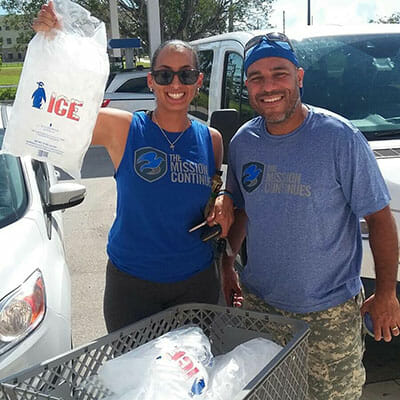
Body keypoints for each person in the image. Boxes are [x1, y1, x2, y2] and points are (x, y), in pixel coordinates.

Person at [217, 32, 400, 400]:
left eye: (279, 74)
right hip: (260, 308)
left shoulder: (340, 138)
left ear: (299, 77)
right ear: (247, 85)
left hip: (328, 316)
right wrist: (227, 262)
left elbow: (380, 219)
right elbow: (242, 209)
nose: (268, 86)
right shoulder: (243, 142)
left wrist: (385, 293)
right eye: (257, 78)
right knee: (266, 394)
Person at [33, 2, 232, 332]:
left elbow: (213, 194)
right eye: (164, 75)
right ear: (151, 81)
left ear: (198, 81)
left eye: (186, 74)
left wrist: (222, 201)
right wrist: (53, 45)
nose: (175, 84)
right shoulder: (125, 129)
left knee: (191, 375)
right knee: (131, 379)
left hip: (197, 284)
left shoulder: (211, 139)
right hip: (133, 287)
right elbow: (56, 109)